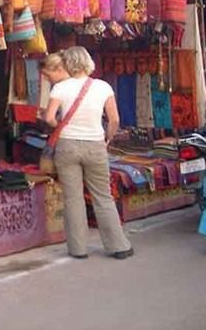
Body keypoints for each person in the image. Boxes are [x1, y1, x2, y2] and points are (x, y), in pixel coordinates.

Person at [41, 47, 133, 260]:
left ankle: (78, 249)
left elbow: (48, 118)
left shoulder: (60, 88)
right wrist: (107, 138)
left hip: (67, 146)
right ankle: (118, 246)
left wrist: (61, 127)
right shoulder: (103, 87)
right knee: (103, 196)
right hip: (95, 145)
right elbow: (115, 120)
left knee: (73, 198)